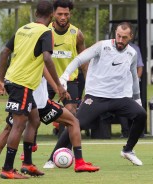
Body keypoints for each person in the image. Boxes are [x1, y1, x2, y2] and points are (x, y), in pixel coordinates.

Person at [0, 35, 100, 176]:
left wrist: (58, 88)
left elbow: (43, 71)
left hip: (27, 102)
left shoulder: (23, 58)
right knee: (72, 121)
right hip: (40, 104)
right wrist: (59, 88)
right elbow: (45, 69)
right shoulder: (40, 56)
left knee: (14, 127)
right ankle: (79, 162)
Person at [45, 22, 147, 167]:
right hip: (96, 97)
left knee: (141, 114)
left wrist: (137, 99)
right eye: (118, 36)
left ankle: (128, 150)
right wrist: (65, 76)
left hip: (119, 98)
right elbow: (79, 59)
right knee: (76, 123)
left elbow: (134, 77)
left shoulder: (132, 53)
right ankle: (51, 159)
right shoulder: (102, 46)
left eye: (124, 37)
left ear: (130, 37)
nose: (120, 40)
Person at [0, 0, 67, 179]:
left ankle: (27, 164)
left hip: (14, 81)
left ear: (36, 14)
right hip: (23, 83)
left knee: (34, 119)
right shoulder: (46, 32)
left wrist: (1, 80)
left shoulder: (22, 29)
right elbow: (47, 59)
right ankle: (8, 169)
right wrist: (58, 85)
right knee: (19, 124)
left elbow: (4, 52)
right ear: (51, 16)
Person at [46, 0, 88, 139]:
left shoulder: (77, 34)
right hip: (48, 80)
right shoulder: (46, 32)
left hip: (70, 80)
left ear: (70, 14)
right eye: (60, 14)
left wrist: (89, 83)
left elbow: (84, 61)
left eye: (66, 14)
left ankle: (63, 148)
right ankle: (29, 150)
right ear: (53, 14)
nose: (63, 17)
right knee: (34, 113)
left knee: (71, 113)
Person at [118, 42, 144, 138]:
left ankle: (138, 132)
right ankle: (125, 132)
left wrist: (135, 81)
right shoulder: (114, 48)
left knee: (137, 106)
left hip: (132, 84)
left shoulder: (135, 48)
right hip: (120, 84)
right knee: (121, 106)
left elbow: (140, 66)